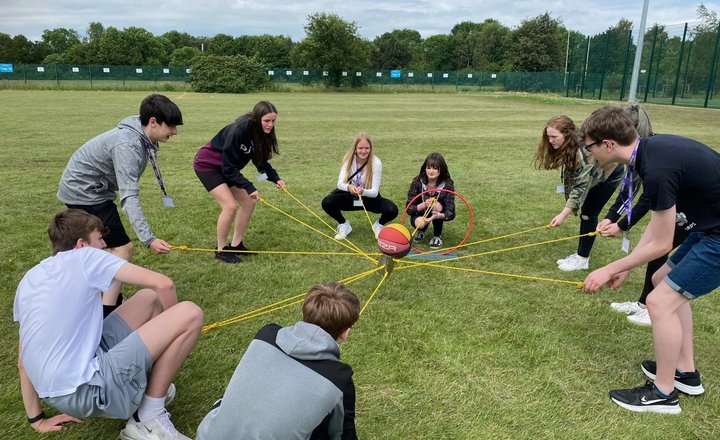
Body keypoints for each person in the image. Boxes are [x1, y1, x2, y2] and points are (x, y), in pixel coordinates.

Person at [581, 105, 720, 414]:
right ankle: (686, 372)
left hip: (717, 235)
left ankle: (664, 394)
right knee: (661, 282)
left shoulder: (656, 169)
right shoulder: (650, 152)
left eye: (590, 147)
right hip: (710, 226)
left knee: (659, 301)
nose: (590, 155)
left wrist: (610, 268)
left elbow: (662, 243)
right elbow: (660, 231)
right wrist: (628, 265)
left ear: (608, 144)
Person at [15, 209, 203, 438]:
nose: (104, 245)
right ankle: (147, 419)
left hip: (60, 392)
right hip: (89, 390)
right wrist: (175, 334)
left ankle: (146, 391)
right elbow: (164, 284)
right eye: (100, 238)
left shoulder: (31, 278)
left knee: (147, 299)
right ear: (82, 244)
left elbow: (23, 360)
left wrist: (36, 419)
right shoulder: (85, 257)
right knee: (189, 313)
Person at [57, 94, 183, 315]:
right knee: (123, 249)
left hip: (91, 190)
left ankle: (103, 297)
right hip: (84, 192)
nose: (174, 132)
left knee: (102, 248)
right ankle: (107, 312)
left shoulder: (139, 135)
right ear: (152, 121)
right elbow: (129, 197)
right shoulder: (128, 144)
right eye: (171, 126)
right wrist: (149, 238)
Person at [196, 282, 360, 440]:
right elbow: (343, 435)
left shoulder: (266, 335)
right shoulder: (339, 378)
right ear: (346, 333)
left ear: (304, 315)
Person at [599, 104, 689, 326]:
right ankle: (644, 304)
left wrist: (621, 227)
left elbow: (647, 200)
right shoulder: (637, 156)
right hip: (680, 206)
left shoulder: (652, 160)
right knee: (656, 251)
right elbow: (628, 190)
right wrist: (612, 217)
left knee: (659, 251)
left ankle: (651, 307)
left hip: (695, 211)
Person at [194, 101, 286, 264]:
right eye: (267, 121)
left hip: (227, 169)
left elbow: (261, 162)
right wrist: (249, 187)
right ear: (257, 119)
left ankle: (236, 245)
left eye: (273, 121)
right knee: (229, 206)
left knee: (248, 203)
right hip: (208, 166)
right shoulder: (239, 131)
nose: (270, 125)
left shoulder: (262, 133)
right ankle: (221, 250)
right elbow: (228, 168)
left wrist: (275, 178)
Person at [534, 115, 624, 271]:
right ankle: (580, 255)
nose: (550, 141)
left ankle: (583, 258)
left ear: (567, 135)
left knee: (588, 213)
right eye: (548, 137)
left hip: (610, 173)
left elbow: (580, 187)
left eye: (554, 137)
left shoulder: (583, 153)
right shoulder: (571, 147)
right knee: (586, 212)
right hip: (595, 172)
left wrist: (563, 215)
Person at [321, 132, 398, 240]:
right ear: (355, 149)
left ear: (370, 149)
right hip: (350, 196)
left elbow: (375, 192)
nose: (363, 151)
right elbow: (339, 184)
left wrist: (362, 192)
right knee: (327, 202)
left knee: (392, 209)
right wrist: (349, 187)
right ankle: (344, 225)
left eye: (366, 148)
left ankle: (378, 225)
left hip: (368, 197)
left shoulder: (376, 163)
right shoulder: (348, 160)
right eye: (360, 148)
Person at [405, 152, 456, 249]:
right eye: (428, 168)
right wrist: (424, 204)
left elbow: (451, 212)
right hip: (420, 212)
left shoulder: (447, 184)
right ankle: (421, 230)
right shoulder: (417, 182)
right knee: (419, 224)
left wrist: (439, 215)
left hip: (437, 212)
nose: (431, 171)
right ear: (424, 168)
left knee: (436, 205)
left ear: (441, 169)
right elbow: (409, 208)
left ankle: (437, 235)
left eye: (435, 168)